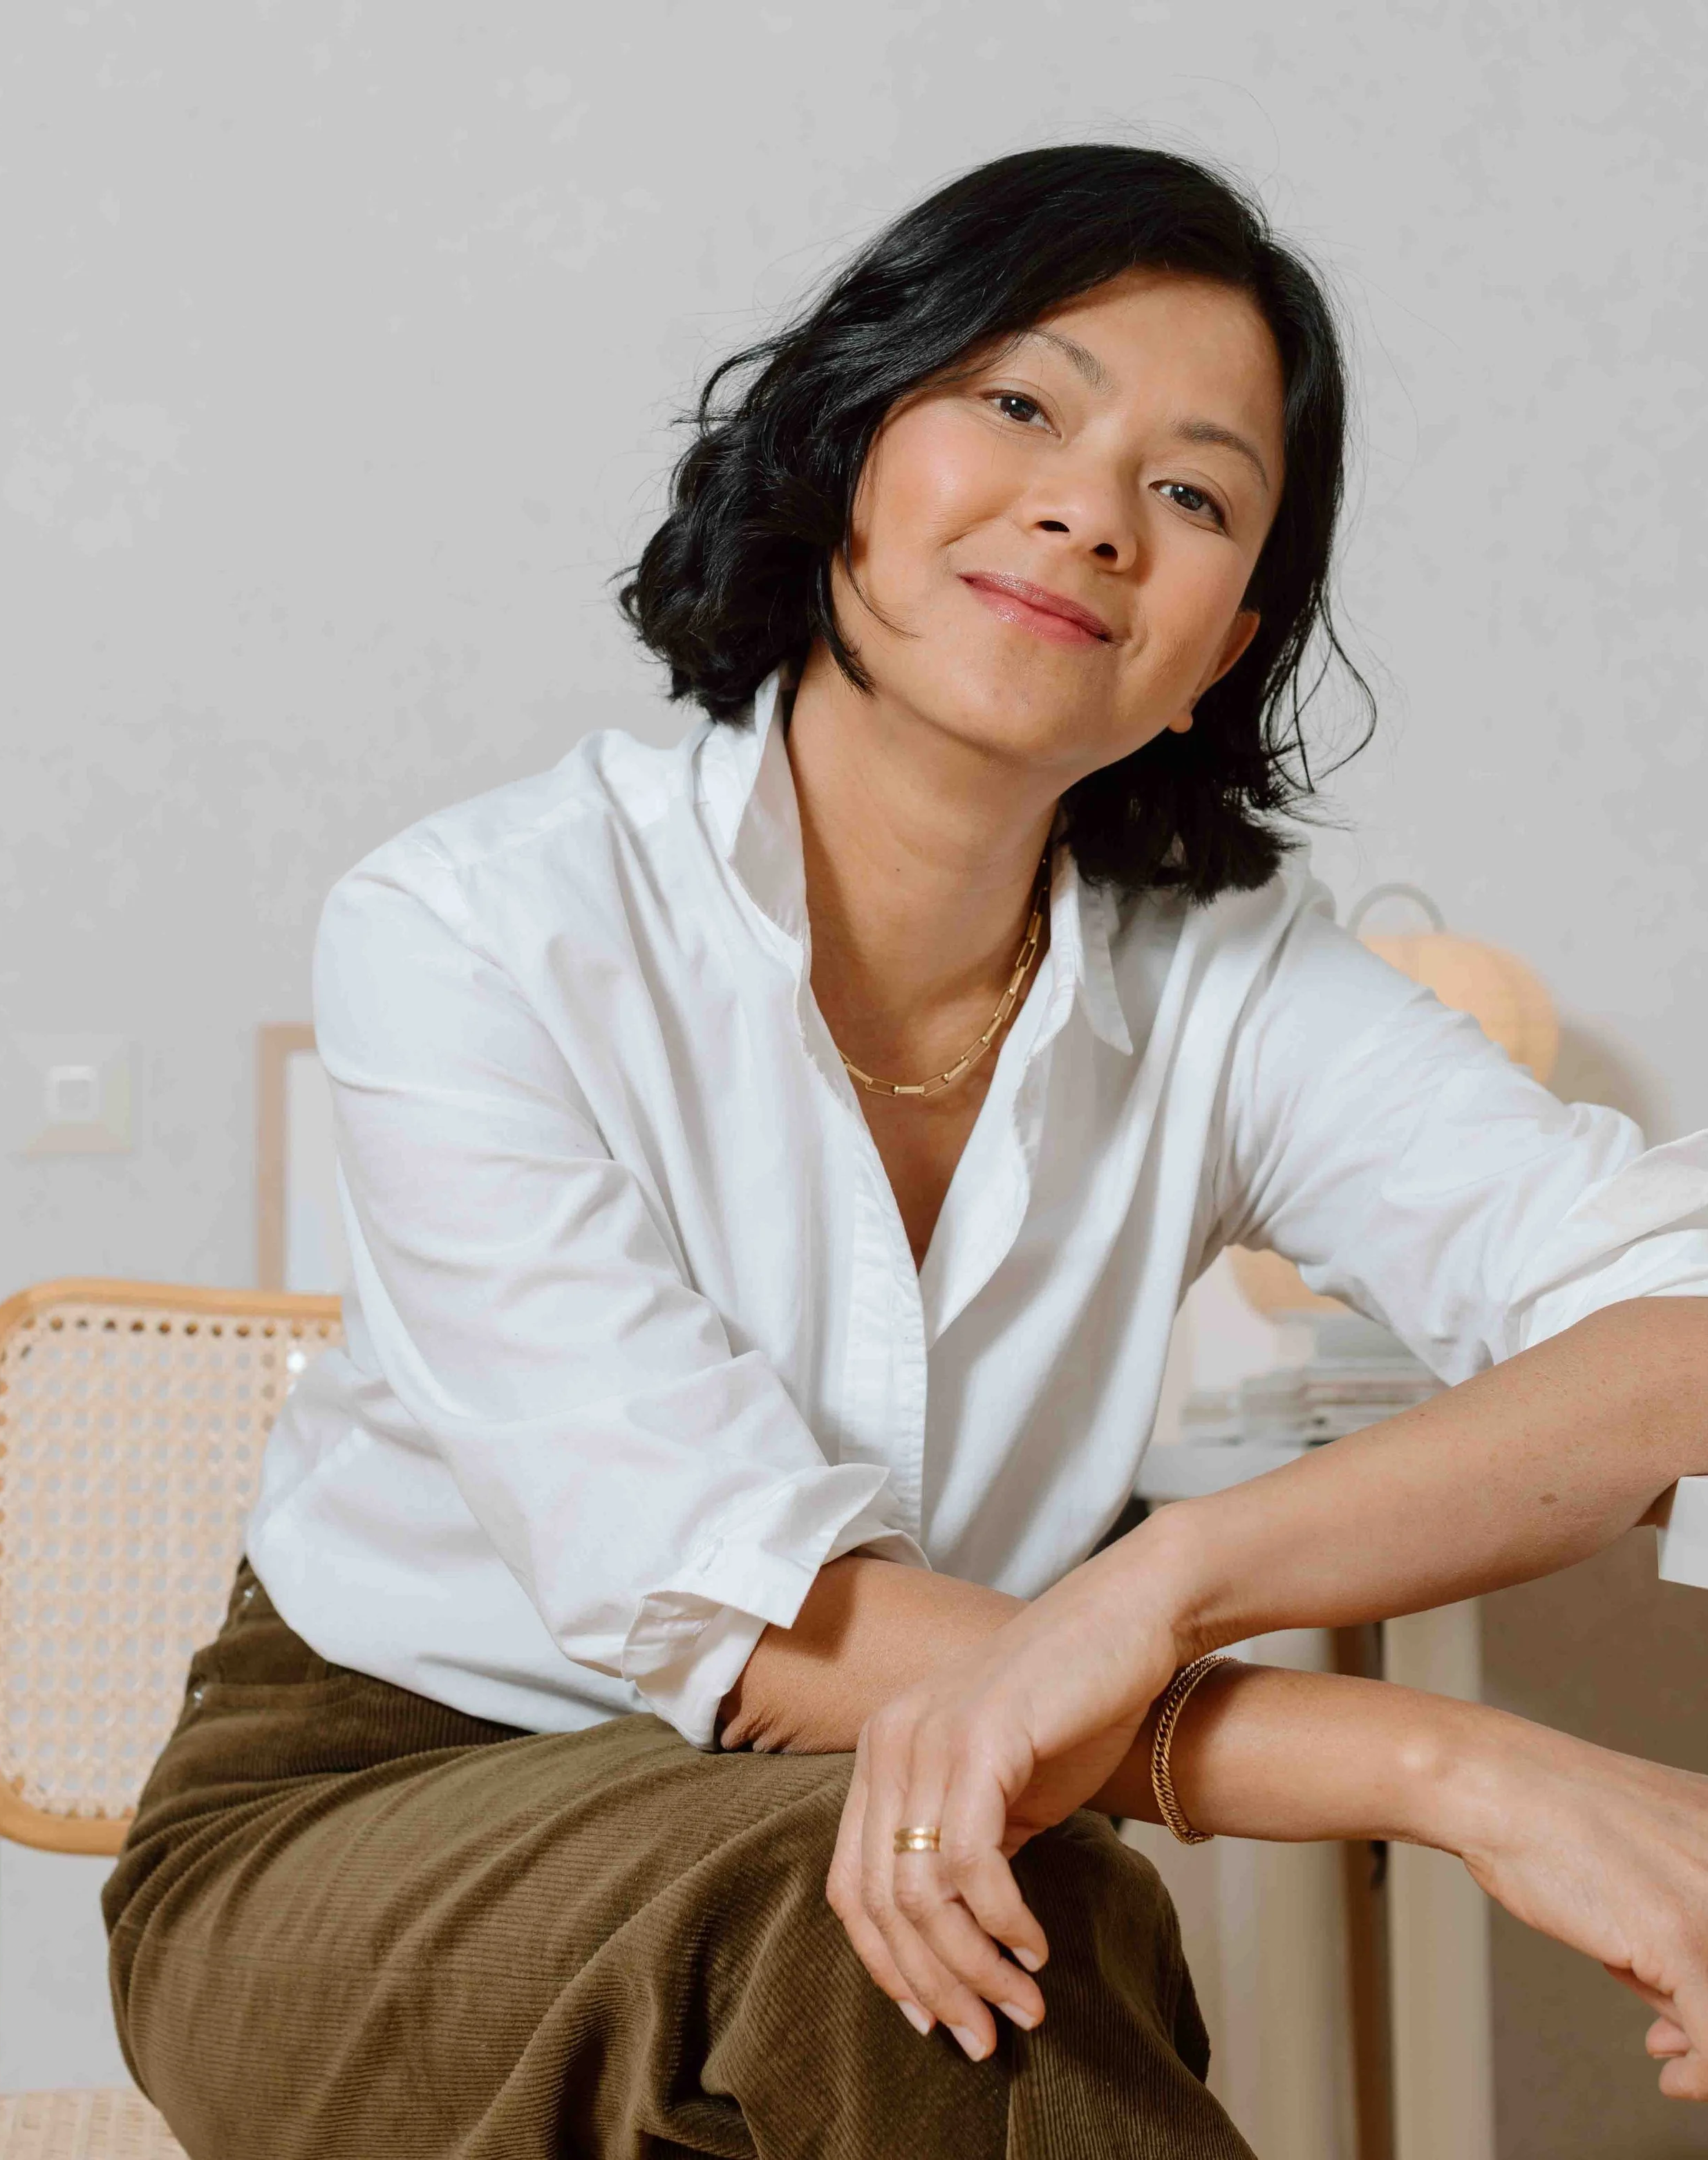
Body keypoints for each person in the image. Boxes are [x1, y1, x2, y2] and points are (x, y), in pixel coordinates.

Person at [104, 144, 1708, 2159]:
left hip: (901, 1793)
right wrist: (1464, 1771)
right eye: (1020, 404)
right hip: (360, 1820)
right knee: (936, 1913)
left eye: (1195, 491)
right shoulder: (478, 927)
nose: (1091, 512)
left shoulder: (1228, 991)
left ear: (1225, 640)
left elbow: (1683, 1323)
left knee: (980, 1891)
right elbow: (757, 1633)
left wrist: (1168, 1582)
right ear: (846, 443)